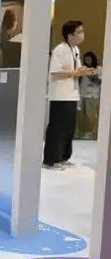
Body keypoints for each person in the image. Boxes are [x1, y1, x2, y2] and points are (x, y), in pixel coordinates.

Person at [43, 21, 96, 170]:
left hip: (72, 95)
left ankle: (63, 157)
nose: (82, 35)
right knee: (57, 128)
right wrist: (76, 72)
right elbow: (55, 73)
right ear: (70, 35)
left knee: (68, 128)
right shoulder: (60, 50)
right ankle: (50, 160)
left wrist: (85, 71)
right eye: (79, 32)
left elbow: (76, 69)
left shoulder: (75, 49)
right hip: (60, 96)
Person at [77, 51, 102, 140]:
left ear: (93, 59)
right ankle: (82, 133)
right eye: (86, 59)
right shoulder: (83, 69)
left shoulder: (98, 69)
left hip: (92, 96)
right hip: (82, 95)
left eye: (89, 59)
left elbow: (99, 82)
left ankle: (92, 133)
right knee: (81, 116)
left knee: (91, 116)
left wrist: (89, 74)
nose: (88, 61)